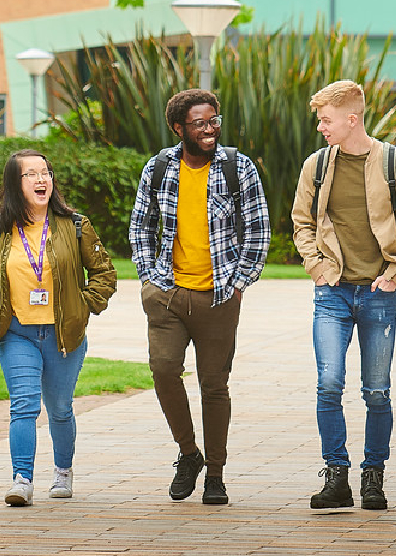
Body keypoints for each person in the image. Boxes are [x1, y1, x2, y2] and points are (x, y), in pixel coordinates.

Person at [292, 79, 396, 512]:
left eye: (326, 120)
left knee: (376, 390)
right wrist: (317, 267)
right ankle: (337, 476)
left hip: (378, 296)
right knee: (328, 385)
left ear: (352, 119)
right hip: (332, 295)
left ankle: (374, 476)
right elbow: (301, 223)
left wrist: (395, 274)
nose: (321, 128)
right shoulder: (316, 166)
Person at [129, 89, 270, 506]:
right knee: (164, 370)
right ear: (178, 128)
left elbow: (258, 229)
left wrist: (239, 283)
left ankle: (216, 475)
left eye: (214, 121)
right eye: (199, 124)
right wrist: (149, 280)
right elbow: (141, 226)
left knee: (213, 385)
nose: (209, 130)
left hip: (219, 296)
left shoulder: (236, 167)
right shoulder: (159, 168)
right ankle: (189, 454)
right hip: (168, 295)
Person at [0, 149, 117, 506]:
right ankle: (22, 479)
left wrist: (84, 306)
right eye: (30, 174)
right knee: (23, 406)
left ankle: (63, 471)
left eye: (45, 173)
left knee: (61, 408)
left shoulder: (75, 224)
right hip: (18, 332)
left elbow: (104, 273)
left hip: (62, 334)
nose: (41, 180)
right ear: (14, 183)